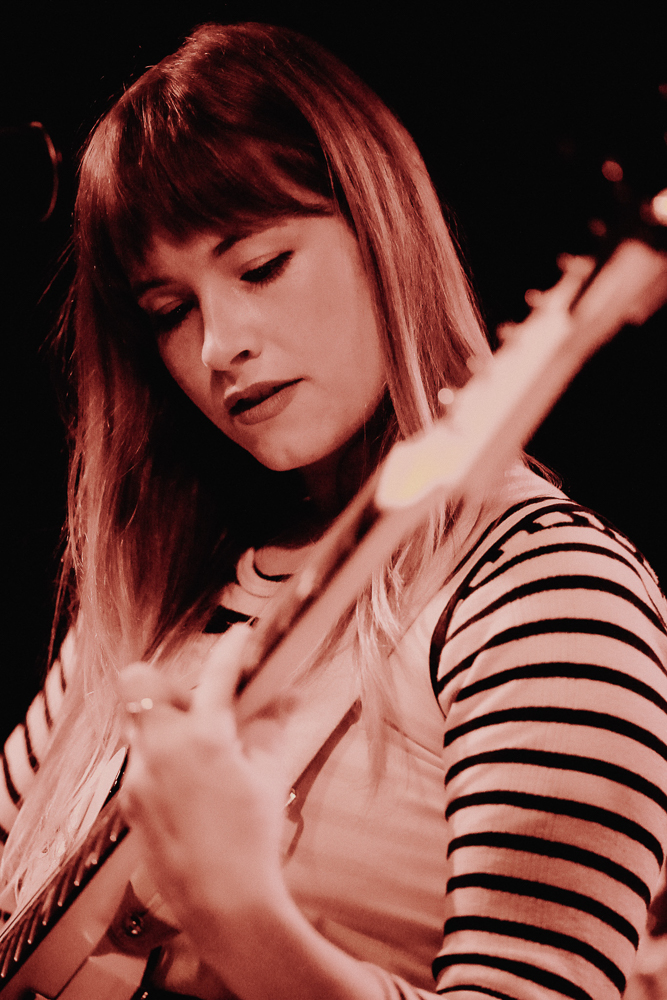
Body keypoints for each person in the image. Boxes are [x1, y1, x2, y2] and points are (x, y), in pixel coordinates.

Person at [1, 21, 667, 1000]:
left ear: (382, 233)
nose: (218, 344)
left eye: (260, 265)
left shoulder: (552, 591)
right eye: (168, 311)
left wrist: (243, 919)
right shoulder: (138, 613)